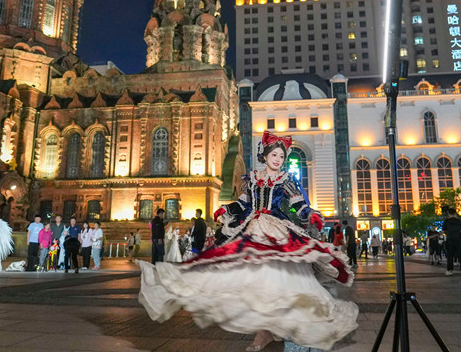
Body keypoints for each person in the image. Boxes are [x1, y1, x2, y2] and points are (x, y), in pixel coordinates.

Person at [138, 131, 357, 351]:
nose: (278, 159)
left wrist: (311, 214)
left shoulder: (286, 179)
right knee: (255, 280)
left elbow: (298, 204)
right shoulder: (252, 178)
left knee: (280, 280)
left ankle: (278, 329)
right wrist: (226, 209)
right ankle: (265, 332)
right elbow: (243, 203)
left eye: (282, 156)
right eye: (274, 154)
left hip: (277, 230)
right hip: (253, 228)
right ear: (265, 155)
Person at [442, 208, 461, 276]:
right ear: (455, 213)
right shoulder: (458, 221)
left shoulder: (446, 221)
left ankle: (449, 270)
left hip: (450, 239)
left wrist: (448, 233)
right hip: (458, 239)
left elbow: (444, 230)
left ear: (448, 213)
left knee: (450, 255)